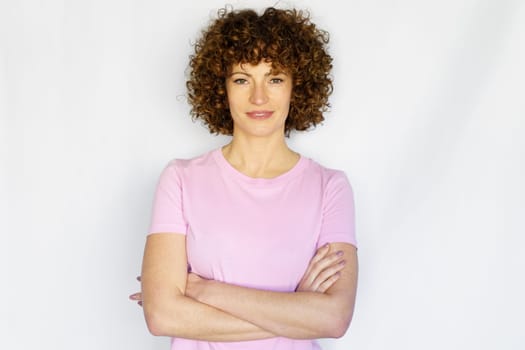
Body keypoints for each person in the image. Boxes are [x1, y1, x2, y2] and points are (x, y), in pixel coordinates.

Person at [129, 6, 358, 350]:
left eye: (275, 78)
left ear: (298, 87)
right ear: (221, 89)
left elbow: (334, 318)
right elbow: (162, 316)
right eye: (241, 79)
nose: (259, 97)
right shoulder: (180, 179)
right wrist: (297, 309)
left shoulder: (330, 188)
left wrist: (202, 290)